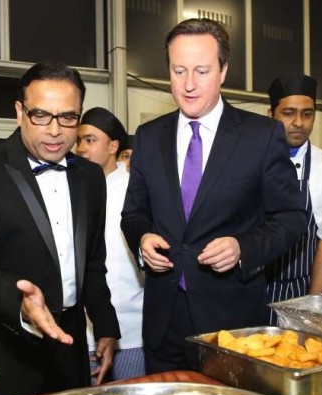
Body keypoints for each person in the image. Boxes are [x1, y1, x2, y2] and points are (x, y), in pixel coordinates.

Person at [121, 18, 307, 374]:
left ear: (223, 70)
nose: (188, 85)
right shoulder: (147, 137)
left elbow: (292, 218)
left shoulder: (261, 136)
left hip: (232, 323)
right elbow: (133, 214)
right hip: (163, 321)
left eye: (202, 71)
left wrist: (243, 248)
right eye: (179, 71)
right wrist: (141, 238)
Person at [0, 61, 121, 395]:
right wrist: (20, 304)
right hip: (1, 347)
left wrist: (106, 327)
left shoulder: (89, 176)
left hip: (67, 350)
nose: (55, 130)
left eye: (68, 117)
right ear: (19, 112)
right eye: (41, 115)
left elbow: (93, 261)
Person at [76, 107, 145, 381]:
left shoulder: (136, 190)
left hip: (131, 330)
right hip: (81, 332)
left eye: (90, 140)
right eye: (79, 140)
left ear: (113, 146)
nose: (81, 148)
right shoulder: (71, 189)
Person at [266, 74, 322, 319]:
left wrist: (309, 306)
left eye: (307, 114)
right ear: (270, 114)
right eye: (288, 113)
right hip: (250, 292)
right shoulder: (250, 161)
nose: (298, 122)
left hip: (302, 290)